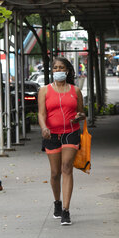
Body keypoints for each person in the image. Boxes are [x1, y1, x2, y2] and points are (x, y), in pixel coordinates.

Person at [37, 57, 85, 226]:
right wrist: (44, 128)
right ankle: (57, 202)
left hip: (70, 133)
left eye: (61, 68)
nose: (58, 70)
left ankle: (66, 210)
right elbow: (41, 114)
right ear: (52, 71)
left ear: (67, 71)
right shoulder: (44, 90)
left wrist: (80, 117)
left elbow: (82, 112)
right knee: (55, 173)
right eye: (55, 68)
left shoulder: (75, 90)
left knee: (67, 168)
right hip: (52, 135)